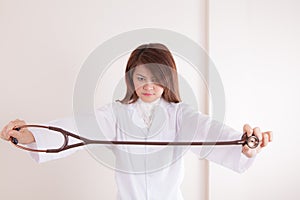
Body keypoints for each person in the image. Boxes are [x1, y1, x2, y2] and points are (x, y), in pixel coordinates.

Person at [0, 43, 272, 200]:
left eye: (156, 79)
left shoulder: (181, 115)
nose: (148, 86)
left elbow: (211, 132)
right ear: (130, 79)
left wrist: (245, 145)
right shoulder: (115, 114)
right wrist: (31, 135)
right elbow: (77, 128)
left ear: (168, 80)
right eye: (141, 78)